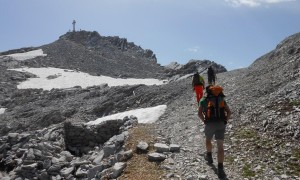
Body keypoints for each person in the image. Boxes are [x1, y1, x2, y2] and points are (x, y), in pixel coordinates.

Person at [198, 85, 231, 179]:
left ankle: (209, 156)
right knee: (220, 146)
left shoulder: (203, 100)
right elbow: (229, 112)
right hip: (221, 123)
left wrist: (204, 121)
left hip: (210, 124)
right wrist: (225, 121)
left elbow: (199, 114)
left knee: (208, 140)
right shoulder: (221, 99)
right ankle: (220, 168)